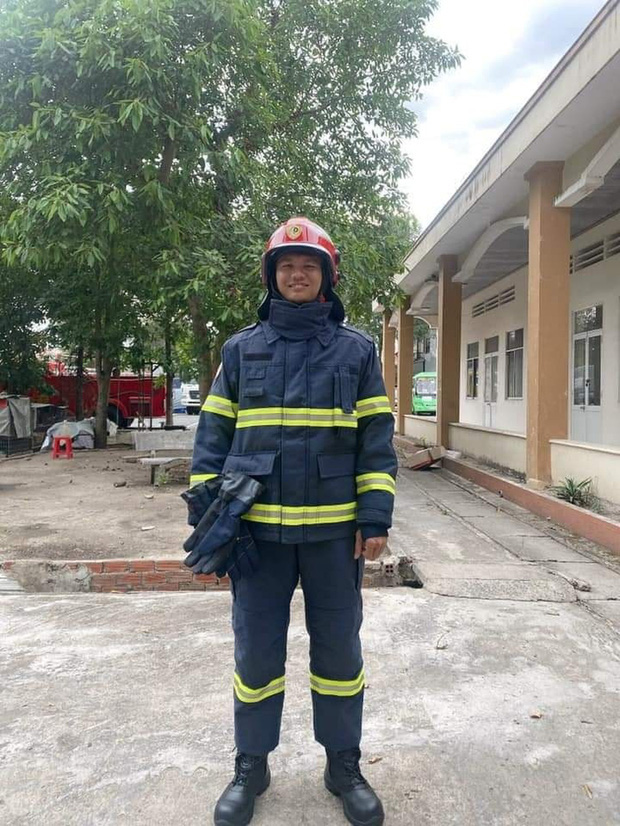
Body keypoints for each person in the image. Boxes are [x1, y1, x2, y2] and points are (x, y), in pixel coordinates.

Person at [190, 217, 397, 826]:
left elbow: (376, 442)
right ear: (272, 277)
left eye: (309, 266)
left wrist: (375, 518)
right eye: (286, 266)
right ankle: (251, 765)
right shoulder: (239, 350)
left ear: (327, 277)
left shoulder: (357, 351)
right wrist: (211, 519)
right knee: (256, 655)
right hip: (257, 539)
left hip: (335, 538)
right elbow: (211, 440)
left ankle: (343, 764)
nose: (297, 274)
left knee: (339, 654)